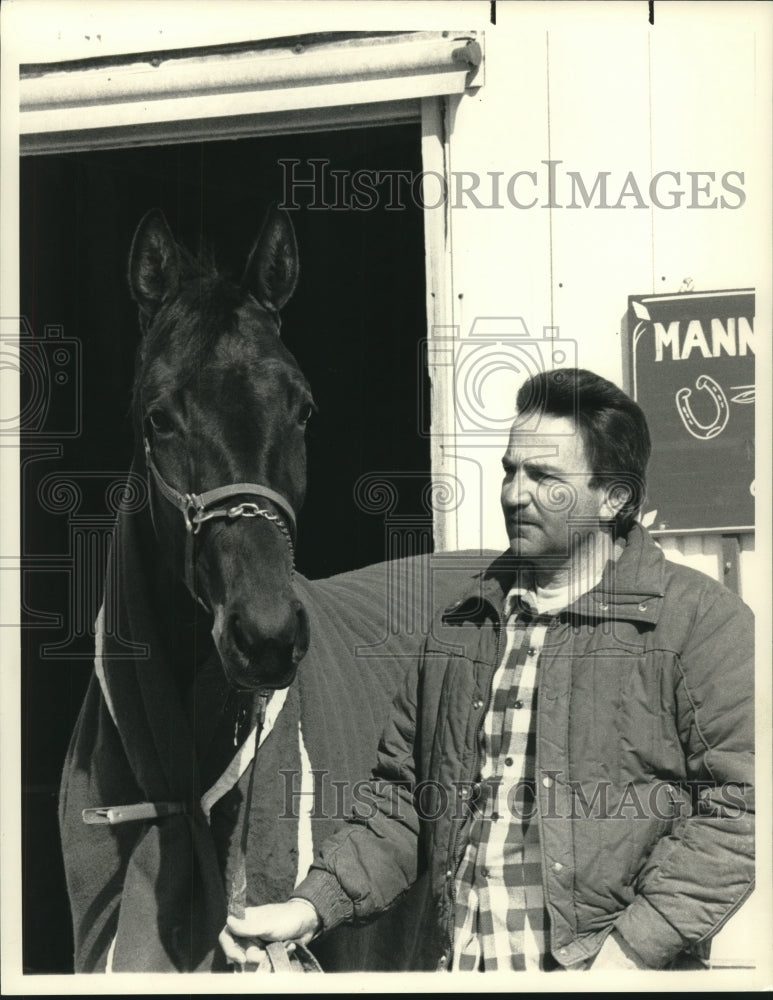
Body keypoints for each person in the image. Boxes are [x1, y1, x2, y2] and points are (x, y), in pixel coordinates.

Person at [219, 367, 755, 972]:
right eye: (510, 470)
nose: (514, 493)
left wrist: (629, 954)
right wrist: (307, 907)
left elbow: (742, 813)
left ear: (616, 498)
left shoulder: (699, 627)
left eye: (545, 476)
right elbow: (402, 805)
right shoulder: (462, 625)